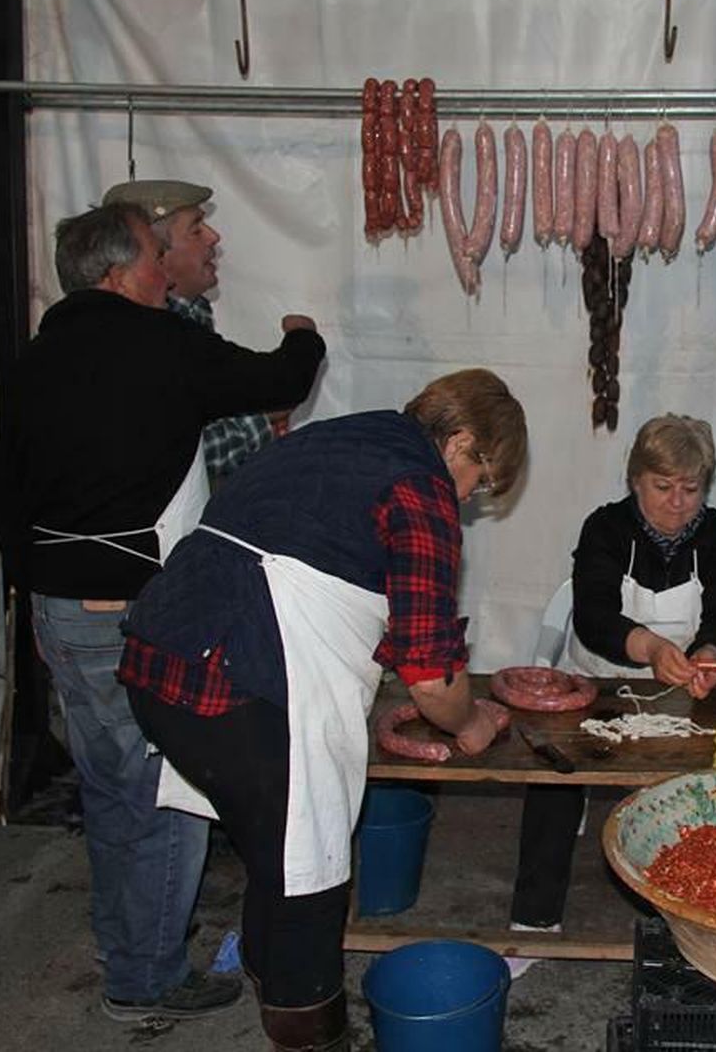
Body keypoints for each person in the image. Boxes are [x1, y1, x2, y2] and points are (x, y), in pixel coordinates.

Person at [0, 201, 325, 1023]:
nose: (162, 270)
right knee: (171, 788)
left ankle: (127, 943)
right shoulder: (160, 342)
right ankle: (147, 979)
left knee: (110, 787)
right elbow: (280, 380)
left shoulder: (33, 358)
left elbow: (4, 500)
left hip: (61, 609)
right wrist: (304, 334)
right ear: (118, 273)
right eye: (151, 255)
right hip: (141, 609)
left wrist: (41, 596)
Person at [119, 370, 527, 1052]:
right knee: (309, 875)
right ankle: (310, 1030)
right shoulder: (421, 487)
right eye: (479, 481)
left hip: (160, 655)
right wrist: (470, 721)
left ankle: (266, 974)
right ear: (461, 442)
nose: (468, 498)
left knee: (274, 845)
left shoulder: (340, 436)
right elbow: (432, 676)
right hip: (232, 678)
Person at [510, 414, 716, 935]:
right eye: (662, 487)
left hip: (681, 692)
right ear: (636, 479)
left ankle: (687, 924)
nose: (677, 503)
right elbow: (593, 616)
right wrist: (652, 648)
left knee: (701, 791)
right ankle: (533, 920)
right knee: (552, 775)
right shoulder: (606, 528)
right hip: (592, 683)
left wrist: (706, 656)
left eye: (690, 489)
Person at [102, 179, 284, 482]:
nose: (214, 237)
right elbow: (176, 449)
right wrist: (264, 416)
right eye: (196, 229)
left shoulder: (191, 312)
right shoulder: (139, 335)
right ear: (155, 251)